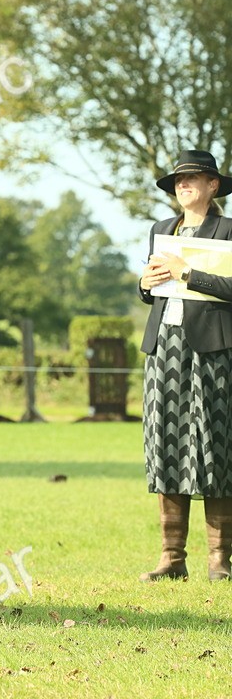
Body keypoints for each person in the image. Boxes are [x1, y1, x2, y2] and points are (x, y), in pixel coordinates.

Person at [138, 150, 232, 582]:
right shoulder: (161, 229)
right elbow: (151, 287)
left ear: (213, 186)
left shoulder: (228, 230)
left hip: (212, 350)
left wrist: (189, 274)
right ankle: (172, 557)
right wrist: (144, 282)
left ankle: (219, 560)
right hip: (164, 348)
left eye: (192, 179)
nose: (183, 185)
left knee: (214, 444)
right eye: (178, 181)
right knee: (166, 445)